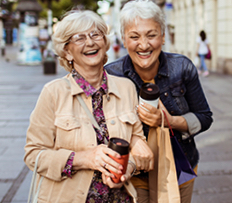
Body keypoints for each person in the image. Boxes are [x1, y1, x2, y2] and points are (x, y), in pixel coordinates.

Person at [24, 10, 153, 203]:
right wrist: (84, 158)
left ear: (105, 42)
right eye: (79, 38)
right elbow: (34, 154)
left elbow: (137, 143)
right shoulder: (53, 92)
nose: (90, 42)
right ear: (67, 52)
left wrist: (128, 168)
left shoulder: (126, 88)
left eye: (95, 34)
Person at [105, 0, 213, 202]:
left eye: (152, 35)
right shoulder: (112, 75)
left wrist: (169, 120)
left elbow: (204, 117)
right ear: (124, 39)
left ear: (163, 37)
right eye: (134, 37)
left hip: (179, 167)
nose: (144, 45)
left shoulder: (182, 68)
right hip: (133, 174)